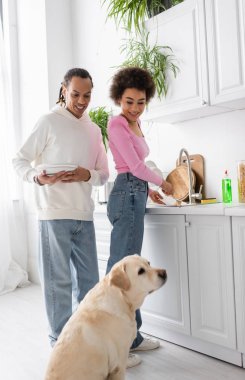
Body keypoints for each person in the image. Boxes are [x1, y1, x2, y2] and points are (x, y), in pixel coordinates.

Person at [13, 68, 109, 346]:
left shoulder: (93, 130)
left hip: (84, 216)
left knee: (90, 284)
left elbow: (103, 174)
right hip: (53, 214)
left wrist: (86, 175)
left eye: (87, 95)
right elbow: (19, 160)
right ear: (63, 90)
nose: (81, 100)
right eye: (76, 94)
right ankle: (61, 343)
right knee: (59, 284)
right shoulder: (48, 122)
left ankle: (88, 341)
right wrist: (36, 176)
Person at [105, 66, 173, 368]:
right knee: (120, 274)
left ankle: (132, 337)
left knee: (132, 271)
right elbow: (131, 166)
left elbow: (134, 169)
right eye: (129, 101)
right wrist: (162, 181)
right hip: (125, 194)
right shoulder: (117, 124)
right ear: (119, 98)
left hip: (135, 193)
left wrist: (149, 191)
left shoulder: (135, 123)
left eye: (141, 101)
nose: (135, 108)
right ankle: (115, 346)